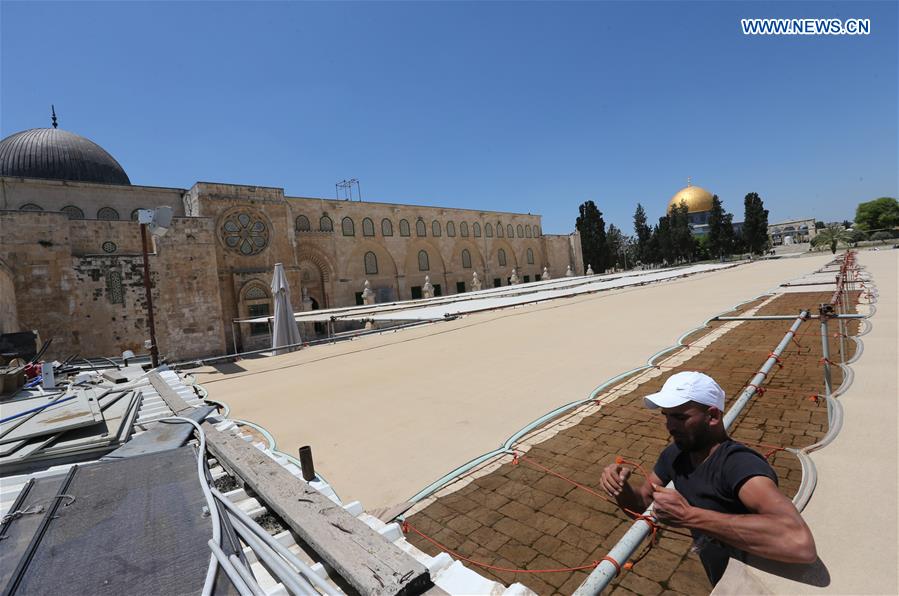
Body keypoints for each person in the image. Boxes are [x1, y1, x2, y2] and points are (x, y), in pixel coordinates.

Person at [600, 371, 817, 585]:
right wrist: (621, 489)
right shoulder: (675, 454)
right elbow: (642, 503)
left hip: (756, 582)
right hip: (722, 579)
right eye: (666, 416)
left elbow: (800, 544)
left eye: (680, 417)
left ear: (713, 416)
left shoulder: (739, 465)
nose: (669, 426)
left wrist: (690, 516)